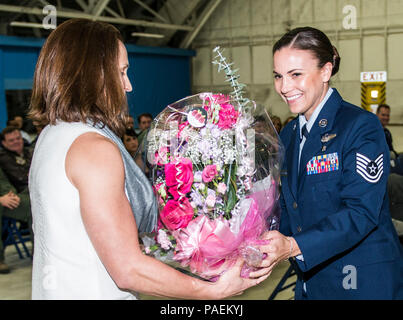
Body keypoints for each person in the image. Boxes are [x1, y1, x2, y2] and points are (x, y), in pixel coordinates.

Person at [28, 18, 270, 300]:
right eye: (121, 72)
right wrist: (212, 290)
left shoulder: (52, 135)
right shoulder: (93, 148)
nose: (128, 86)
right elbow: (128, 268)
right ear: (92, 75)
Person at [255, 26, 403, 299]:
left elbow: (360, 213)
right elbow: (289, 208)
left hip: (361, 283)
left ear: (326, 71)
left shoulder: (360, 126)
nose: (284, 87)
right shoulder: (288, 134)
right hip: (312, 282)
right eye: (278, 76)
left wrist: (292, 246)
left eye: (295, 74)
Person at [0, 168, 32, 274]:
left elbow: (3, 182)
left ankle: (40, 250)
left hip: (5, 201)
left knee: (34, 205)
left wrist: (11, 195)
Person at [0, 127, 33, 193]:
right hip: (19, 193)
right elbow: (21, 178)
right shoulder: (3, 157)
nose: (16, 142)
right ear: (4, 143)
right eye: (11, 140)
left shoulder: (31, 152)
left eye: (18, 138)